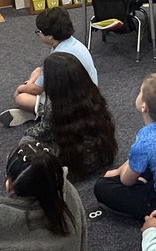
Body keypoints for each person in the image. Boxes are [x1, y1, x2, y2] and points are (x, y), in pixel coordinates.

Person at [94, 73, 156, 218]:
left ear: (144, 107)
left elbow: (126, 181)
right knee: (146, 162)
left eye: (140, 92)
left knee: (102, 187)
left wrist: (118, 171)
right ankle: (142, 178)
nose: (138, 93)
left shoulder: (145, 141)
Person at [21, 52, 117, 181]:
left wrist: (28, 134)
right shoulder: (93, 94)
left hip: (75, 166)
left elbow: (43, 131)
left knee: (26, 144)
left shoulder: (54, 108)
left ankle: (31, 114)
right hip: (102, 156)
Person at [0, 7, 98, 127]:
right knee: (37, 71)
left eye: (39, 32)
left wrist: (21, 88)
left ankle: (46, 114)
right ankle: (39, 110)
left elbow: (36, 89)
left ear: (50, 36)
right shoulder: (72, 43)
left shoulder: (59, 56)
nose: (38, 34)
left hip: (77, 106)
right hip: (90, 96)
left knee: (21, 99)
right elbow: (42, 69)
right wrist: (30, 83)